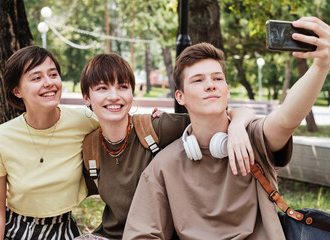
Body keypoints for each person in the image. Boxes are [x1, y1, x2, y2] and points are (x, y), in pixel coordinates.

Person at [123, 17, 330, 240]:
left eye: (217, 78)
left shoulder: (254, 139)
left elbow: (287, 117)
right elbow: (140, 234)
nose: (210, 84)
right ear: (180, 97)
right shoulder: (164, 165)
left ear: (227, 91)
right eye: (198, 80)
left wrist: (321, 66)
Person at [78, 53, 256, 240]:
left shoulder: (157, 127)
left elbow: (214, 117)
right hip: (109, 236)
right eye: (102, 88)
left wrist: (237, 126)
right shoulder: (90, 146)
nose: (114, 96)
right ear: (86, 98)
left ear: (132, 92)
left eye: (123, 87)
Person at [0, 46, 99, 240]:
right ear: (17, 90)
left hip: (61, 229)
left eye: (53, 74)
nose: (49, 83)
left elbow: (124, 126)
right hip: (10, 228)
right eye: (36, 78)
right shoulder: (1, 137)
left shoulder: (85, 120)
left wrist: (157, 120)